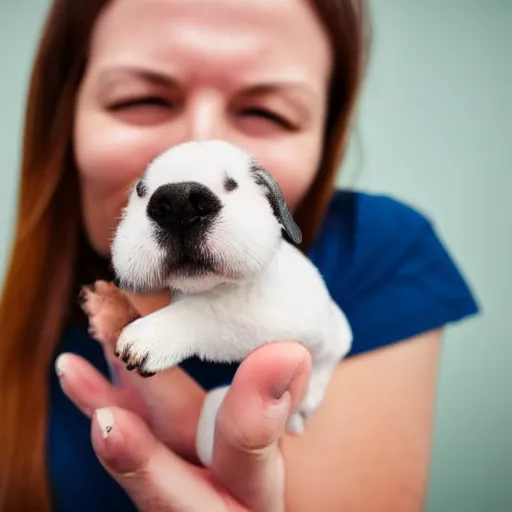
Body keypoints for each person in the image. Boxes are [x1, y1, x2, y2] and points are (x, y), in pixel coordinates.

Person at [0, 0, 480, 510]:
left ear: (327, 139)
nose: (200, 143)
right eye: (140, 98)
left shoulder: (380, 252)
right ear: (63, 119)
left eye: (265, 110)